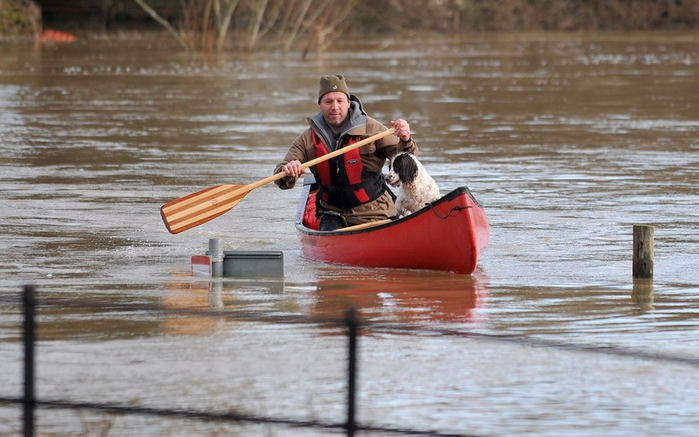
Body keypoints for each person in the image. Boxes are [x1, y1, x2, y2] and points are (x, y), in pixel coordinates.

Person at [273, 74, 418, 231]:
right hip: (332, 213)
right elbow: (282, 175)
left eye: (340, 101)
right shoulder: (307, 139)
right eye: (328, 101)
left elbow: (407, 160)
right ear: (319, 105)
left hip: (375, 211)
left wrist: (405, 138)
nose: (335, 107)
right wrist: (288, 170)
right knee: (329, 231)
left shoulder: (372, 129)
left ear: (348, 103)